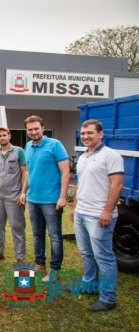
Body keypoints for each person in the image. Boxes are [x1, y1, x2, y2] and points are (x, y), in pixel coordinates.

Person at [70, 119, 124, 312]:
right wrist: (75, 207)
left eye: (90, 133)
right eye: (83, 134)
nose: (85, 137)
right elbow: (79, 183)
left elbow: (117, 184)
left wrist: (108, 210)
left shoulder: (111, 155)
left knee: (104, 256)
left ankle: (108, 298)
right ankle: (89, 285)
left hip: (99, 215)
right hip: (82, 213)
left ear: (100, 134)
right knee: (86, 253)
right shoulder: (83, 156)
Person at [25, 115, 70, 281]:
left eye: (36, 128)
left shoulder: (55, 145)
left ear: (43, 128)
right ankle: (39, 265)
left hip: (51, 199)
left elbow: (66, 171)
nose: (33, 132)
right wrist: (25, 192)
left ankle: (55, 270)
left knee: (54, 236)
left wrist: (63, 197)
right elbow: (29, 171)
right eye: (30, 129)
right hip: (33, 198)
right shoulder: (28, 145)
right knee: (37, 234)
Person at [0, 126, 27, 263]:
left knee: (17, 227)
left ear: (9, 136)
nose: (2, 137)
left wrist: (23, 193)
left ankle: (20, 257)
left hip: (14, 197)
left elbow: (24, 172)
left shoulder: (19, 152)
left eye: (4, 135)